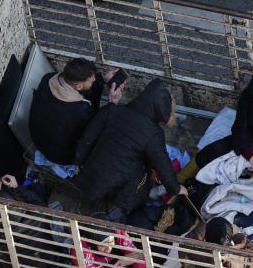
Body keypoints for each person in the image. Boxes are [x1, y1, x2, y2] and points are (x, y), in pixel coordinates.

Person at [73, 78, 188, 221]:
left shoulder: (112, 110)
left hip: (93, 173)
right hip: (120, 184)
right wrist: (176, 188)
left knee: (92, 197)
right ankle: (114, 214)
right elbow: (163, 165)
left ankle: (87, 210)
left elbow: (88, 138)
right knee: (134, 186)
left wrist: (78, 161)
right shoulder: (153, 134)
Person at [29, 58, 125, 177]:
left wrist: (102, 79)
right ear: (79, 86)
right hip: (60, 156)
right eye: (92, 80)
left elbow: (84, 98)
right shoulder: (80, 110)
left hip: (38, 140)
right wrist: (112, 103)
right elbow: (96, 127)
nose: (94, 80)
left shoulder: (48, 78)